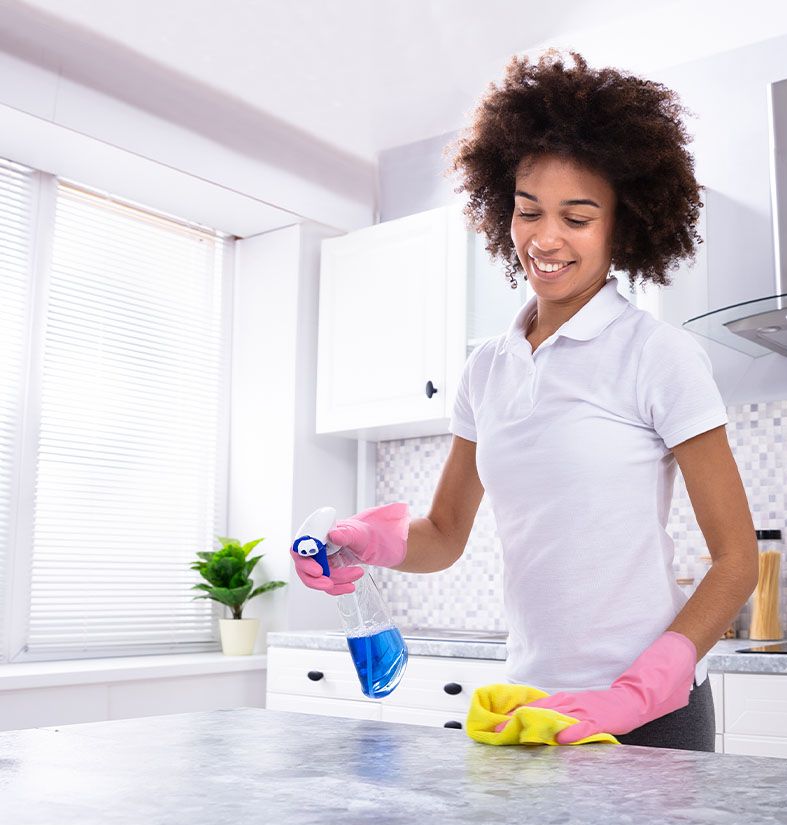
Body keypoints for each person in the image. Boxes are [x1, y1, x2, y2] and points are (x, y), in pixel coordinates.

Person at [293, 49, 758, 752]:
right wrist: (371, 541)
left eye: (577, 217)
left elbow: (736, 559)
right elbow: (445, 534)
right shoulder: (487, 369)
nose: (545, 238)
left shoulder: (657, 354)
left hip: (650, 712)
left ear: (622, 226)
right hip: (531, 703)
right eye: (528, 211)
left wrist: (650, 684)